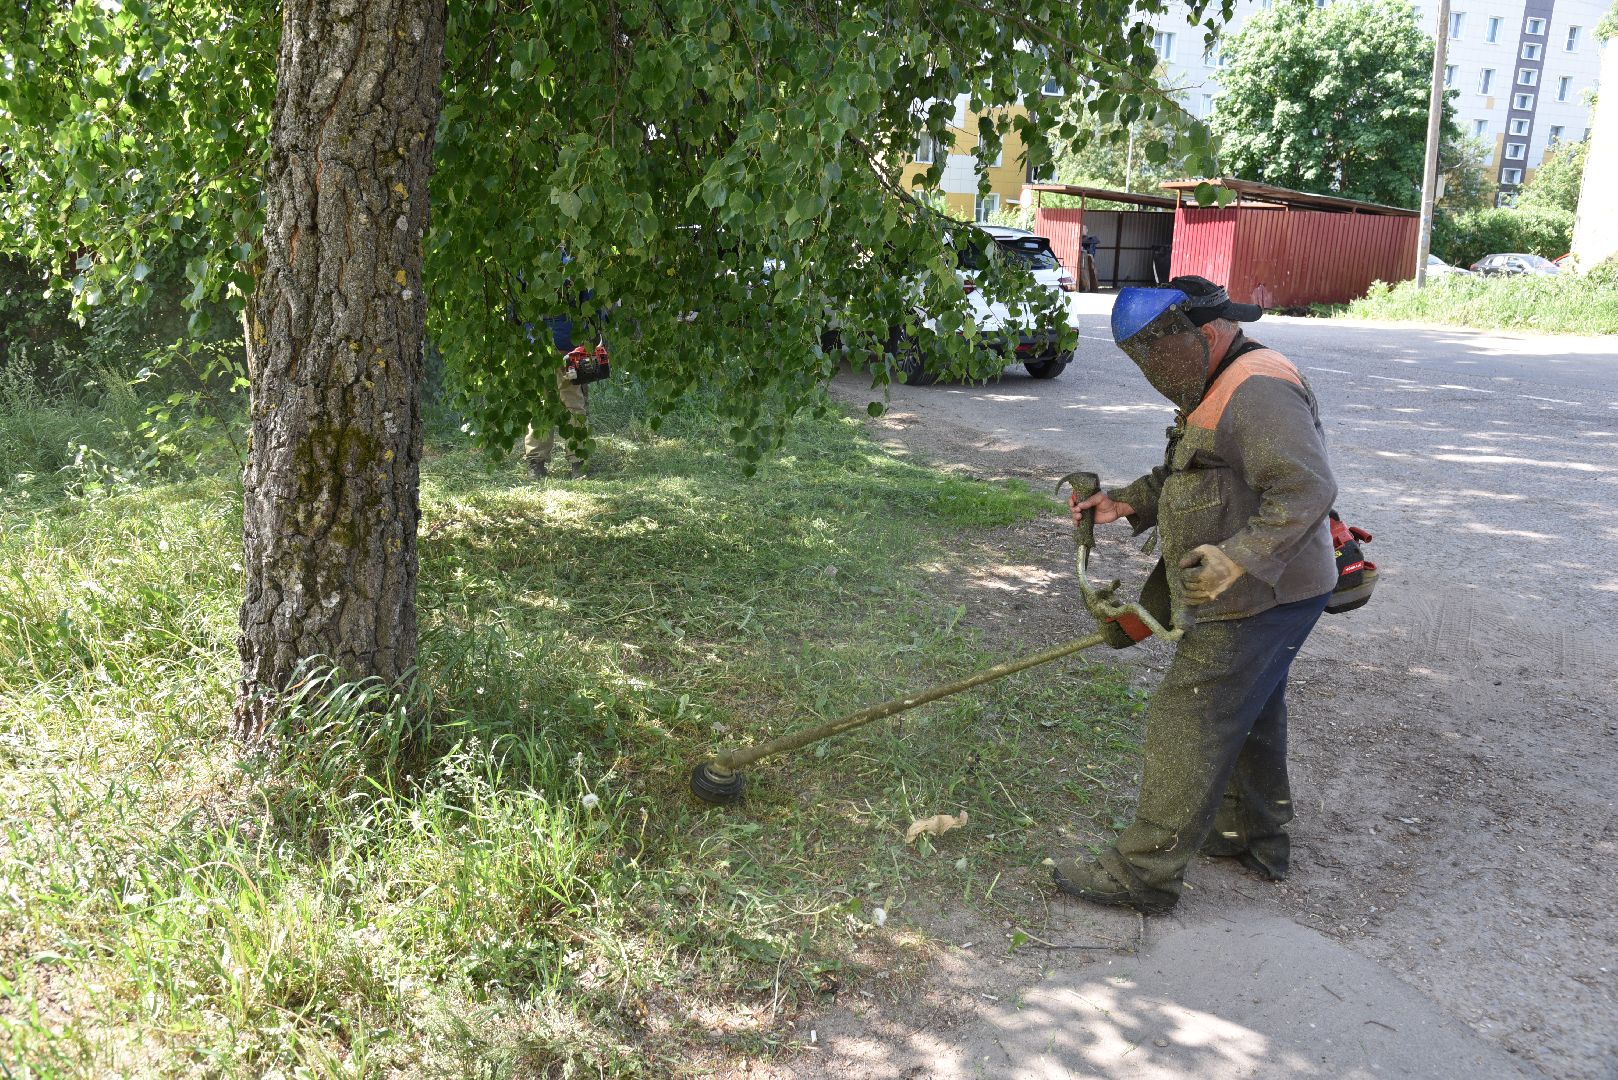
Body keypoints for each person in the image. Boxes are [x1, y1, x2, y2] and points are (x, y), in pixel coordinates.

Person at [1051, 275, 1339, 915]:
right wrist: (1127, 500)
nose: (1153, 371)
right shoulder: (1219, 379)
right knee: (1251, 708)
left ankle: (1143, 874)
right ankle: (1250, 835)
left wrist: (1237, 558)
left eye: (1158, 355)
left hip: (1264, 593)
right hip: (1274, 591)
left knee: (1192, 719)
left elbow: (1306, 490)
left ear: (1203, 335)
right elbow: (1197, 469)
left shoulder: (1256, 390)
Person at [523, 310, 591, 480]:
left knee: (573, 406)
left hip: (569, 348)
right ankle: (536, 462)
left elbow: (590, 308)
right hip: (538, 347)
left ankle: (578, 462)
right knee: (541, 406)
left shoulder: (574, 281)